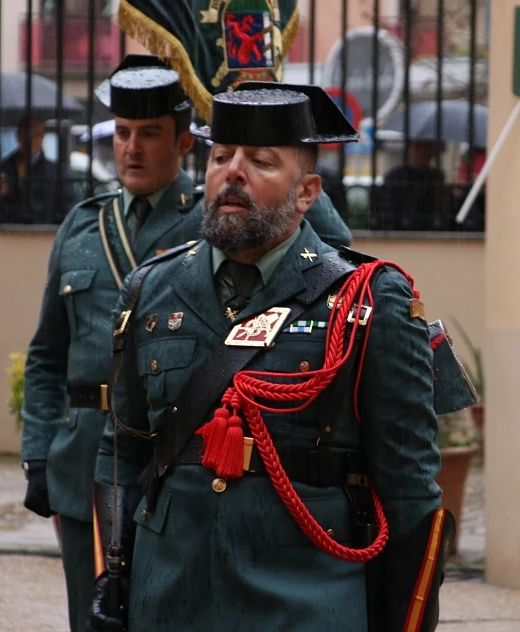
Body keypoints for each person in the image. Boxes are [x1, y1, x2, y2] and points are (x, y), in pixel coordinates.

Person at [87, 82, 454, 631]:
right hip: (168, 599)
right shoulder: (150, 290)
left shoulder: (370, 300)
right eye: (219, 158)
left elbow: (409, 492)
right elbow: (121, 452)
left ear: (306, 192)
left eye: (259, 161)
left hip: (306, 603)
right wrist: (113, 577)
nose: (232, 172)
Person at [19, 55, 354, 632]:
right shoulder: (82, 224)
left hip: (176, 456)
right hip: (86, 461)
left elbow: (327, 258)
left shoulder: (219, 218)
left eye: (149, 134)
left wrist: (265, 124)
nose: (132, 149)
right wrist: (37, 454)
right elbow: (48, 352)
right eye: (122, 134)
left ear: (182, 146)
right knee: (94, 616)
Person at [0, 117, 71, 225]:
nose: (31, 139)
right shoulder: (5, 167)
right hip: (11, 233)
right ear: (18, 136)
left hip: (46, 232)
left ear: (43, 138)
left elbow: (68, 206)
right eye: (27, 134)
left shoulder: (56, 171)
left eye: (37, 135)